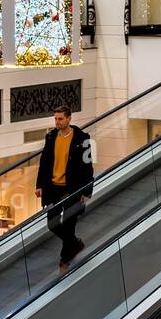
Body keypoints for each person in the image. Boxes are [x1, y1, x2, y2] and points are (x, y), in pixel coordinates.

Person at [35, 104, 94, 271]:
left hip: (73, 189)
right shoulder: (51, 137)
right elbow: (44, 163)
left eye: (60, 119)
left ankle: (64, 260)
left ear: (69, 118)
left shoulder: (82, 139)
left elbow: (88, 167)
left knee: (69, 225)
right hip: (53, 188)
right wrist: (39, 184)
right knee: (52, 224)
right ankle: (75, 243)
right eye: (55, 119)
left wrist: (87, 191)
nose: (57, 122)